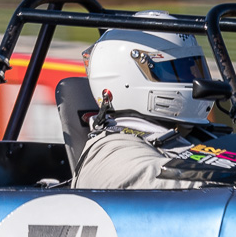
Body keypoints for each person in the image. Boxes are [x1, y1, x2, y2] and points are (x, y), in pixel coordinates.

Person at [72, 12, 226, 190]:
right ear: (127, 77)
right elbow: (167, 182)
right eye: (177, 71)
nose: (196, 80)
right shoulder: (111, 152)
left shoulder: (189, 133)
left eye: (194, 69)